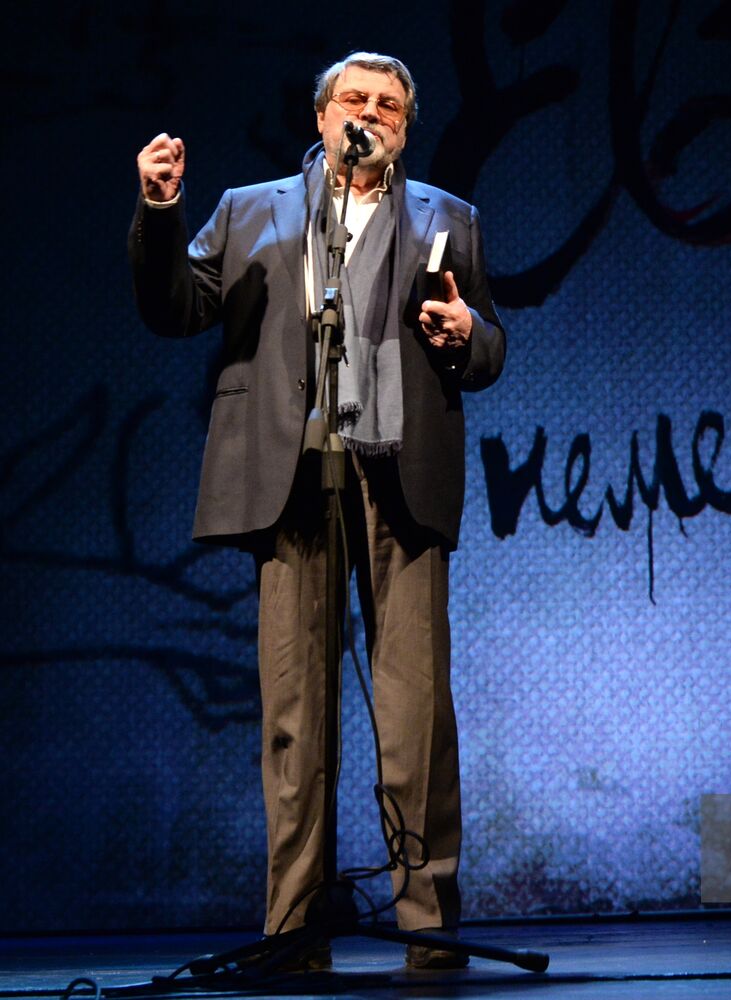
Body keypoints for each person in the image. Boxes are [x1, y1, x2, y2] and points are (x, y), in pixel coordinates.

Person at [129, 52, 505, 970]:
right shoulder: (252, 209)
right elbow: (174, 306)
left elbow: (487, 347)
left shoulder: (447, 218)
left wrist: (469, 337)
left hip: (400, 480)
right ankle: (293, 929)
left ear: (406, 126)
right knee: (295, 711)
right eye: (354, 100)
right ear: (324, 114)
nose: (369, 113)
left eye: (388, 105)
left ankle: (429, 926)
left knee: (415, 713)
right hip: (290, 480)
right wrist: (158, 211)